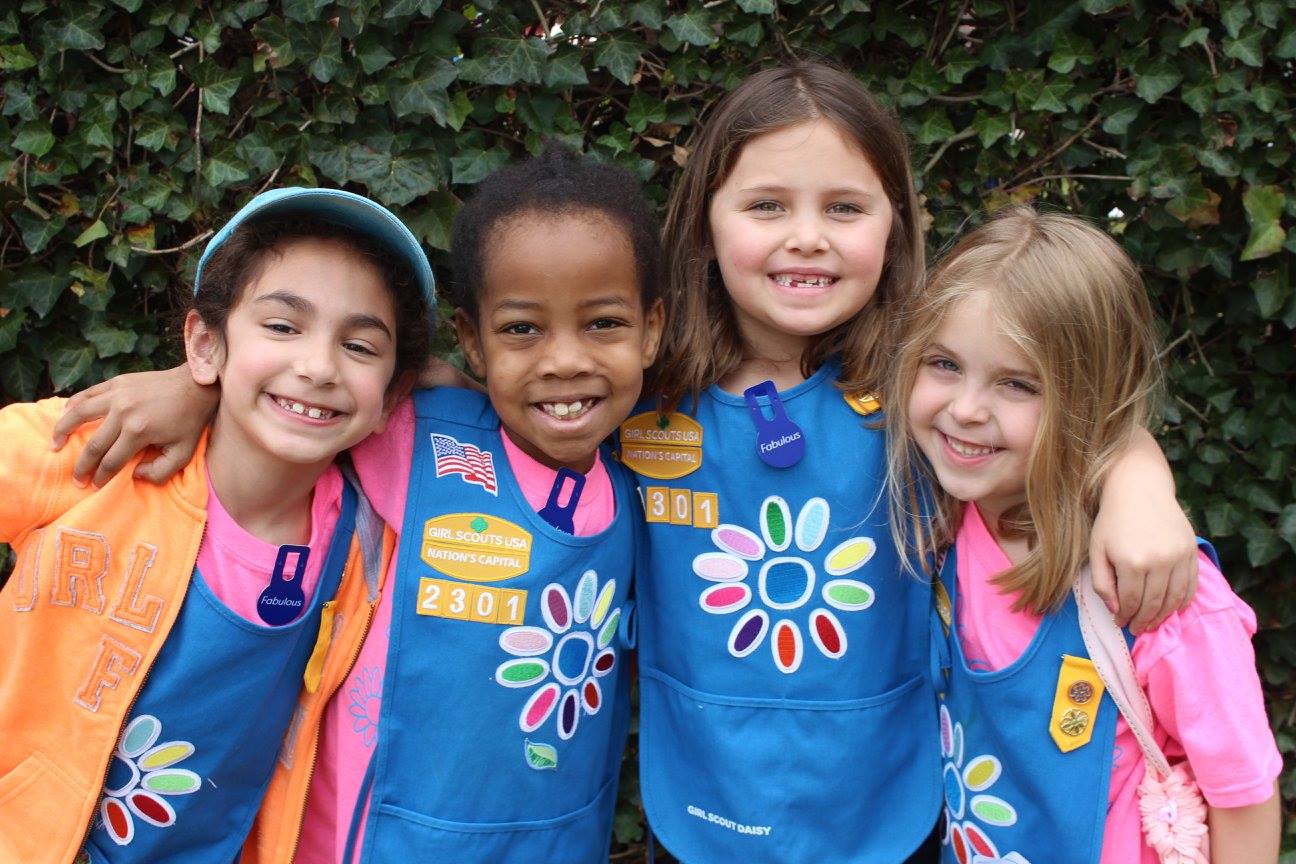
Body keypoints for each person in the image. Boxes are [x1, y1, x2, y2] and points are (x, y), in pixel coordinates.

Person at [623, 63, 1199, 864]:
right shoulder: (639, 392)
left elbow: (1076, 414)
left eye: (845, 208)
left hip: (893, 806)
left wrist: (1142, 481)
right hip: (698, 802)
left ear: (894, 224)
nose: (807, 237)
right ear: (703, 224)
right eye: (765, 206)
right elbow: (510, 406)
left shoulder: (924, 383)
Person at [46, 145, 664, 863]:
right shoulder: (414, 433)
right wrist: (194, 388)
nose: (564, 359)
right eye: (522, 328)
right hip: (365, 842)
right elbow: (303, 399)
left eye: (603, 325)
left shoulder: (645, 473)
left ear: (650, 330)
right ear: (473, 340)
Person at [0, 187, 435, 864]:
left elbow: (503, 397)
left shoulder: (367, 542)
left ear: (393, 395)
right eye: (283, 327)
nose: (318, 366)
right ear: (206, 342)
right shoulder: (102, 451)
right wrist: (190, 379)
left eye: (358, 345)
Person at [887, 207, 1281, 864]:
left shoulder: (1165, 595)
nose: (965, 409)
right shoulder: (953, 513)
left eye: (1017, 383)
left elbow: (1243, 796)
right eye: (944, 363)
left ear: (1092, 399)